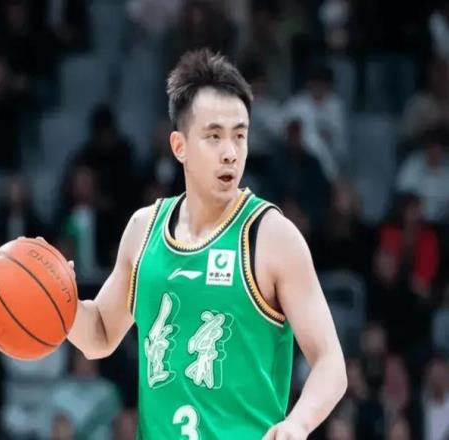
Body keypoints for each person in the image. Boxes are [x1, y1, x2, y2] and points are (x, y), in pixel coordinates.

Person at [39, 48, 346, 439]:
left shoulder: (272, 236)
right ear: (179, 146)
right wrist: (59, 301)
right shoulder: (143, 229)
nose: (230, 152)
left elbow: (330, 363)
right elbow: (99, 334)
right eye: (214, 136)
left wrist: (298, 424)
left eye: (239, 136)